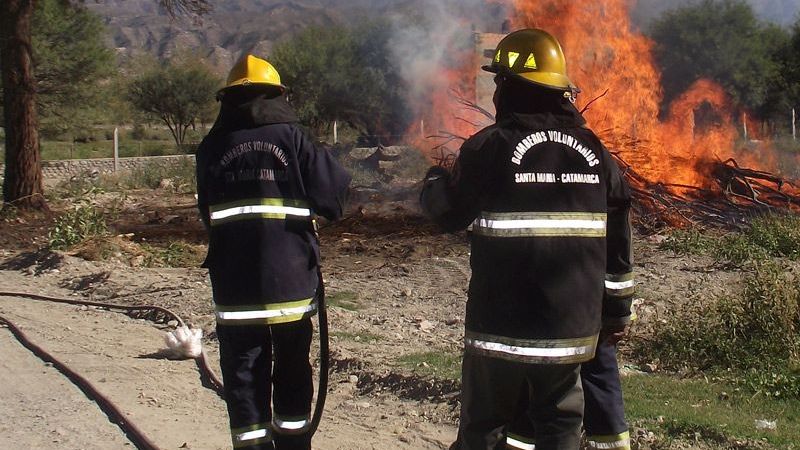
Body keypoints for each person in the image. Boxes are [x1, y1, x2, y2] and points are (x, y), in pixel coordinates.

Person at [420, 28, 633, 450]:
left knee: (484, 428)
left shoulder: (490, 147)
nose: (496, 91)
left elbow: (448, 214)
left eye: (500, 81)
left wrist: (433, 183)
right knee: (560, 427)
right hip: (569, 330)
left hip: (500, 328)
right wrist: (617, 314)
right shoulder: (596, 152)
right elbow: (618, 246)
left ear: (511, 87)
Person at [196, 54, 351, 450]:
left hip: (235, 288)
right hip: (290, 284)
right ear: (278, 96)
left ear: (228, 99)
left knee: (243, 374)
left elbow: (207, 213)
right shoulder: (294, 139)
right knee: (293, 370)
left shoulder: (212, 147)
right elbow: (334, 199)